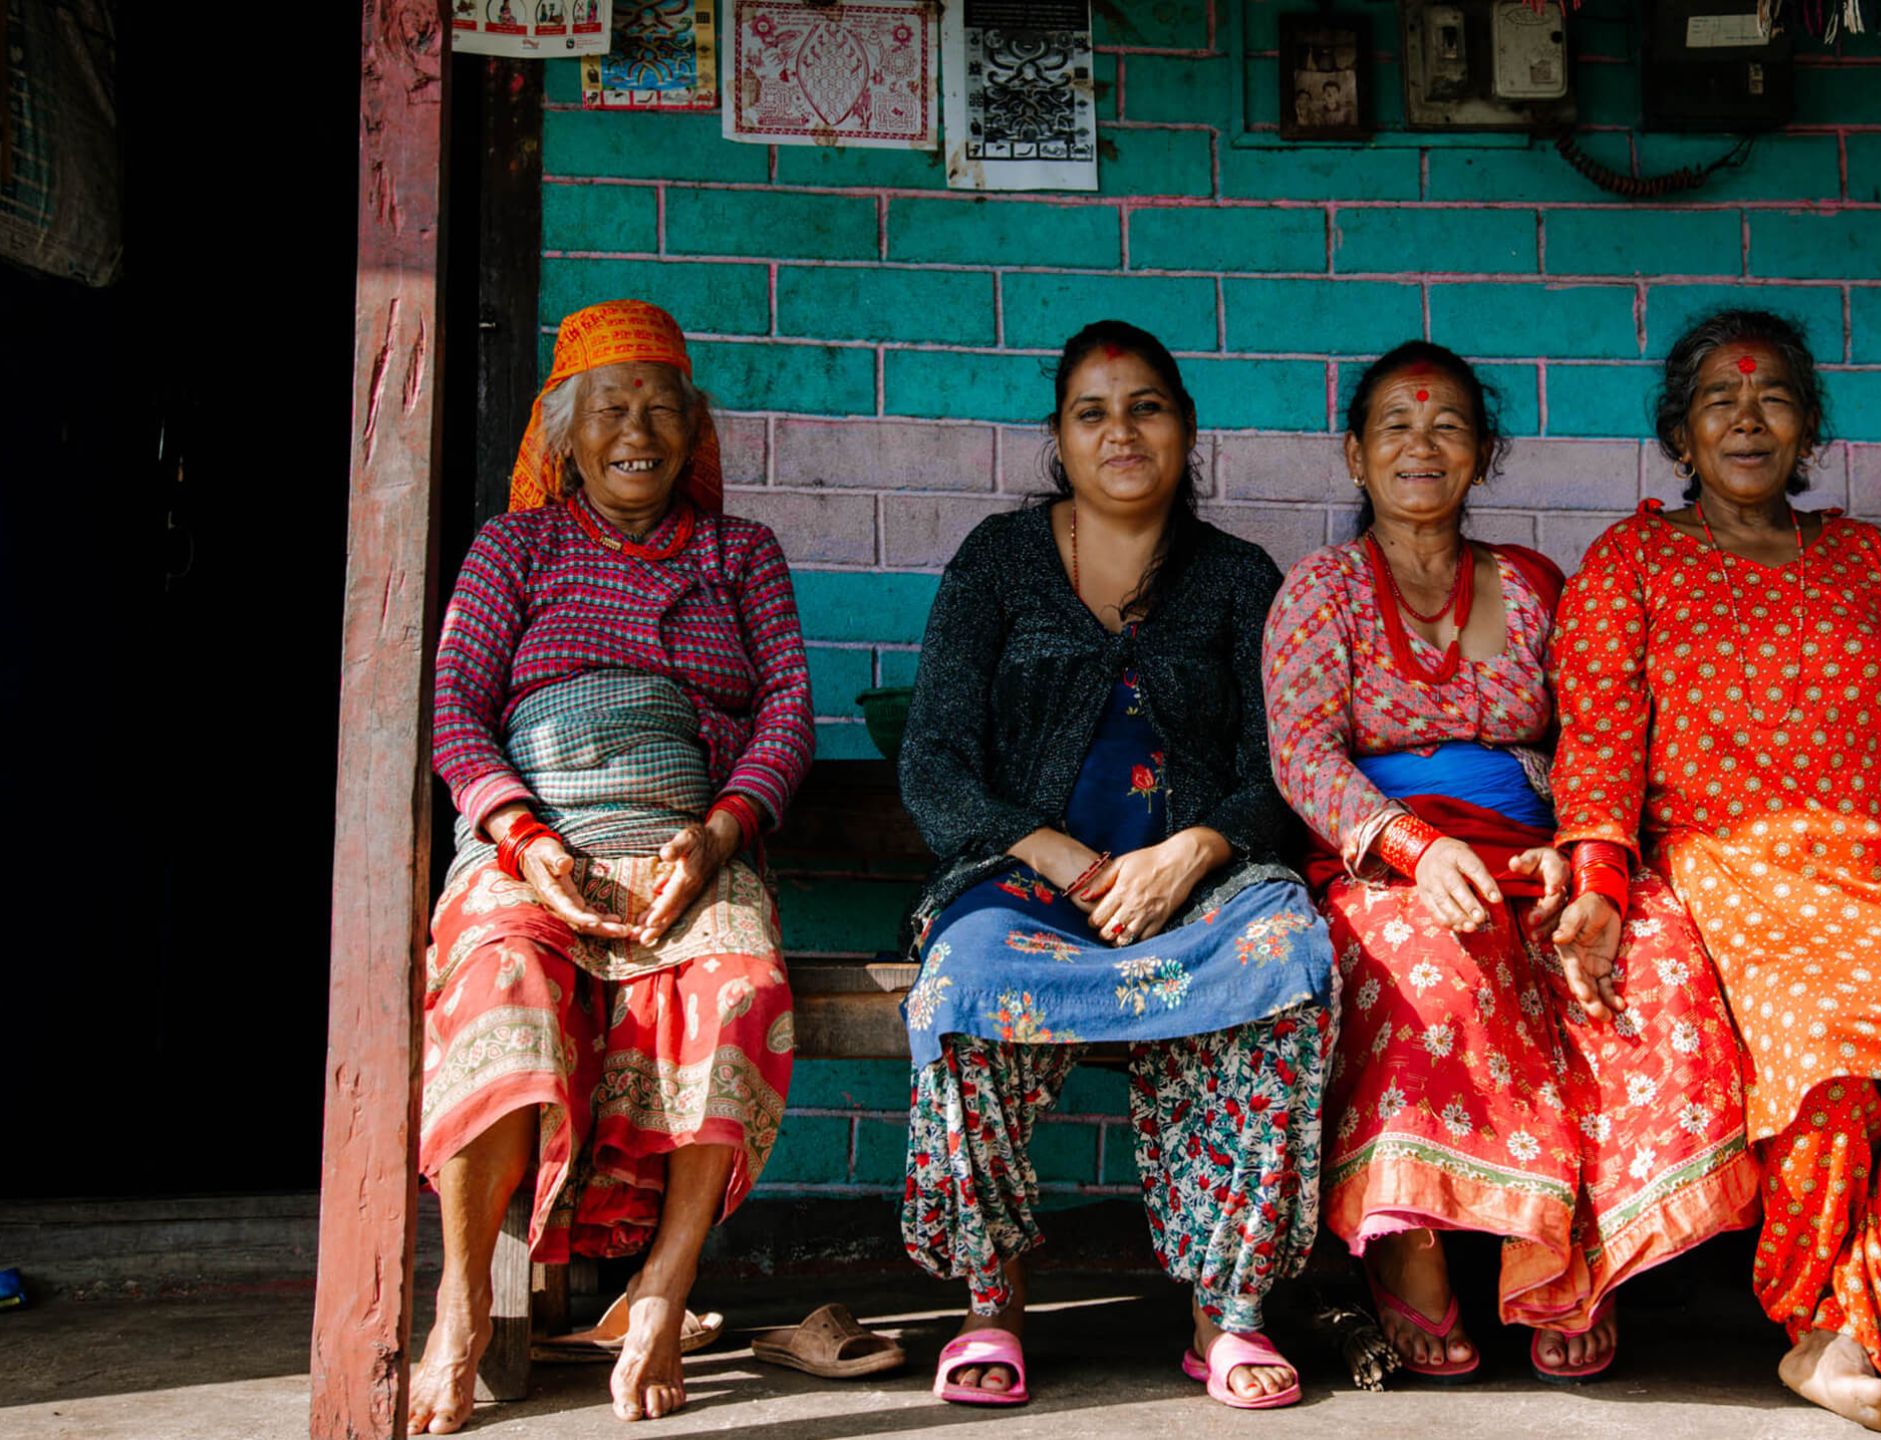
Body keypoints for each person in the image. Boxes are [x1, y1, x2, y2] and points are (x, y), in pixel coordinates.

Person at [1549, 309, 1881, 1434]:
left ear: (1808, 432)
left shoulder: (1868, 563)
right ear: (1679, 436)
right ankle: (1814, 1329)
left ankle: (1857, 1335)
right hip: (1734, 870)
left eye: (1774, 399)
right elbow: (1597, 743)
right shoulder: (1632, 560)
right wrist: (1597, 882)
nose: (1748, 419)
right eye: (1718, 402)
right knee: (1821, 1067)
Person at [1262, 342, 1758, 1384]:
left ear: (1483, 454)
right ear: (1354, 455)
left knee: (1651, 957)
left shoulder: (1536, 585)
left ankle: (1576, 1255)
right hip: (1389, 867)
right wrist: (1413, 846)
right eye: (1394, 426)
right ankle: (1412, 1249)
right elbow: (1300, 754)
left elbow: (1598, 734)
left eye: (1446, 427)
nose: (1420, 446)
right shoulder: (1321, 592)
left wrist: (1591, 863)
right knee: (1437, 968)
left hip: (1534, 856)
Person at [897, 319, 1334, 1411]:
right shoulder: (998, 563)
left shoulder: (1238, 579)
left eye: (1144, 407)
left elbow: (1281, 766)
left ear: (1185, 430)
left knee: (1284, 960)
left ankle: (1225, 1311)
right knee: (962, 991)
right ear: (1060, 436)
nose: (1120, 431)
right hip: (1025, 884)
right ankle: (990, 1297)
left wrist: (1192, 851)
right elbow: (933, 758)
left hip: (1200, 893)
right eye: (1092, 413)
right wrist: (1041, 845)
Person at [410, 300, 816, 1432]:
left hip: (688, 847)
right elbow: (455, 710)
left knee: (737, 992)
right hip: (535, 848)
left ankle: (661, 1294)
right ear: (565, 435)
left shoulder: (743, 556)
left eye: (659, 406)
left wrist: (722, 830)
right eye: (608, 407)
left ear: (693, 433)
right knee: (504, 987)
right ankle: (459, 1310)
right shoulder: (516, 548)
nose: (635, 428)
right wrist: (527, 842)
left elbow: (787, 712)